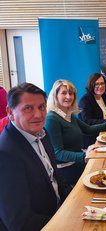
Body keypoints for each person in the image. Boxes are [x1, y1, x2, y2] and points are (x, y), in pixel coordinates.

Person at [0, 83, 71, 231]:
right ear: (10, 112)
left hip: (60, 212)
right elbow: (20, 223)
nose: (38, 115)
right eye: (28, 108)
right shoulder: (5, 154)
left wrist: (75, 203)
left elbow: (56, 177)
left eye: (41, 107)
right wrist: (67, 222)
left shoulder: (42, 133)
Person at [45, 80, 106, 185]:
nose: (68, 97)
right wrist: (84, 155)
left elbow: (89, 129)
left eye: (71, 93)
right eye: (64, 93)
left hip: (77, 162)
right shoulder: (52, 118)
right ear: (55, 95)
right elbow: (58, 153)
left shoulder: (68, 115)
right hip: (66, 169)